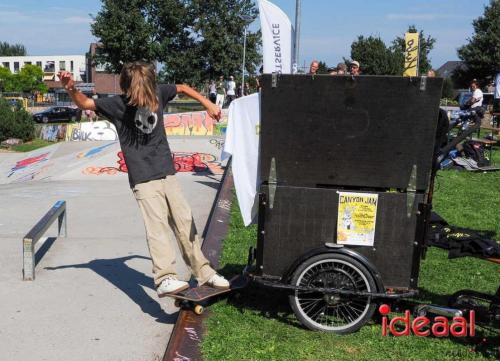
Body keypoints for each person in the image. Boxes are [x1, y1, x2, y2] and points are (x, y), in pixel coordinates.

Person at [57, 62, 230, 296]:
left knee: (184, 222)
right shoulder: (117, 104)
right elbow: (86, 103)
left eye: (145, 92)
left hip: (166, 171)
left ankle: (204, 273)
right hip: (143, 177)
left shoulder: (158, 92)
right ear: (127, 89)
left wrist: (208, 103)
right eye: (136, 94)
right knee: (157, 226)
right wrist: (70, 88)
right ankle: (165, 277)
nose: (142, 98)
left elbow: (182, 87)